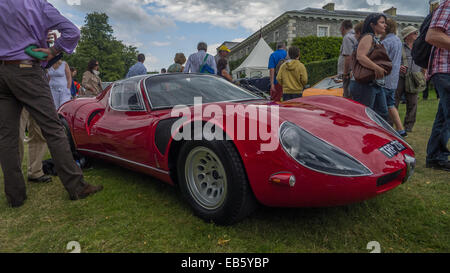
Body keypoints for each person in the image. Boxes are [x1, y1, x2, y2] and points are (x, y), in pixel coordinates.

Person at [0, 0, 103, 208]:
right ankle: (76, 186)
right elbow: (72, 32)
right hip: (27, 69)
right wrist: (53, 50)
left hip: (2, 72)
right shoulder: (37, 4)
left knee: (7, 136)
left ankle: (15, 196)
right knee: (53, 128)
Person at [349, 13, 389, 121]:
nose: (385, 25)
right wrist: (377, 68)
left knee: (382, 114)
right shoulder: (368, 37)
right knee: (366, 117)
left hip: (373, 83)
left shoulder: (375, 38)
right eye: (382, 22)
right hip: (364, 84)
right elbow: (360, 56)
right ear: (372, 24)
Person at [425, 0, 450, 172]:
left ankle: (435, 156)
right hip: (445, 69)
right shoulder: (448, 4)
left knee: (443, 118)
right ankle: (436, 156)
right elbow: (432, 36)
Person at [381, 19, 407, 137]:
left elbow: (381, 60)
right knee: (390, 104)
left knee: (381, 106)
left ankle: (383, 130)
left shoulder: (386, 42)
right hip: (394, 78)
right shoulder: (397, 40)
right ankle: (401, 129)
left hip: (384, 78)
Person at [395, 26, 423, 133]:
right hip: (400, 78)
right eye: (415, 33)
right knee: (395, 101)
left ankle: (408, 127)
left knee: (413, 103)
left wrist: (423, 74)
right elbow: (391, 60)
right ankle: (390, 124)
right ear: (408, 36)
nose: (417, 34)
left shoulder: (418, 47)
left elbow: (423, 61)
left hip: (414, 78)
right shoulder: (399, 47)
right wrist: (398, 67)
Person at [19, 109, 51, 183]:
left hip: (37, 99)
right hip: (15, 98)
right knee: (15, 136)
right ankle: (14, 176)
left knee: (39, 133)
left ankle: (35, 172)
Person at [338, 20, 357, 99]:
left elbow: (348, 57)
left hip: (348, 75)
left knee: (347, 98)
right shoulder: (355, 36)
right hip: (354, 73)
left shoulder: (347, 37)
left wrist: (345, 73)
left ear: (342, 28)